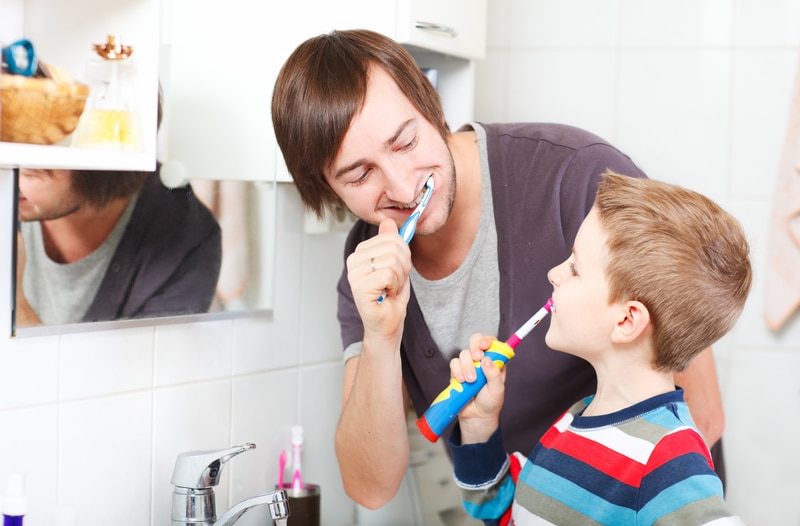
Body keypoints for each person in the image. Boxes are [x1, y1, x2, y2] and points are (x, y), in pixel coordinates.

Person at [271, 29, 727, 508]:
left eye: (405, 142)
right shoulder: (368, 276)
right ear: (328, 192)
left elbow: (704, 414)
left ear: (431, 105)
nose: (403, 187)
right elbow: (370, 487)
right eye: (361, 175)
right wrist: (382, 338)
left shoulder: (577, 178)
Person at [448, 172, 751, 525]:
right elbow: (510, 515)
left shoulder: (669, 459)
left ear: (626, 321)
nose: (554, 273)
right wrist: (478, 427)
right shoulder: (574, 423)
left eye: (575, 267)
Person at [15, 164, 222, 326]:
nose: (10, 173)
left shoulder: (187, 238)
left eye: (31, 171)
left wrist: (14, 304)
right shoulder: (14, 193)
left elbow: (142, 376)